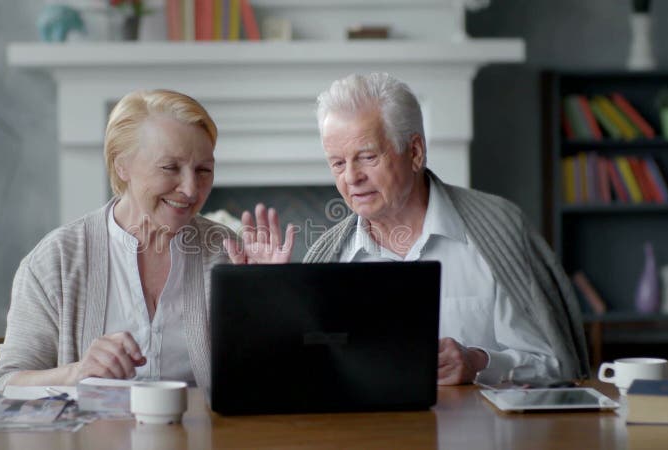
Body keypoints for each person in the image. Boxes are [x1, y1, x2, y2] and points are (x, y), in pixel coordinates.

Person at [225, 73, 589, 385]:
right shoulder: (330, 255)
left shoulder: (498, 231)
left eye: (367, 157)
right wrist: (269, 303)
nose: (351, 177)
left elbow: (557, 366)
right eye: (337, 163)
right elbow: (301, 377)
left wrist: (479, 363)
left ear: (415, 152)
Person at [0, 89, 235, 390]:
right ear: (122, 166)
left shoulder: (226, 252)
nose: (191, 189)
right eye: (170, 167)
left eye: (203, 171)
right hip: (91, 437)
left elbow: (264, 383)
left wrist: (268, 299)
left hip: (202, 437)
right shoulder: (57, 260)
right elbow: (2, 384)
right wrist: (78, 373)